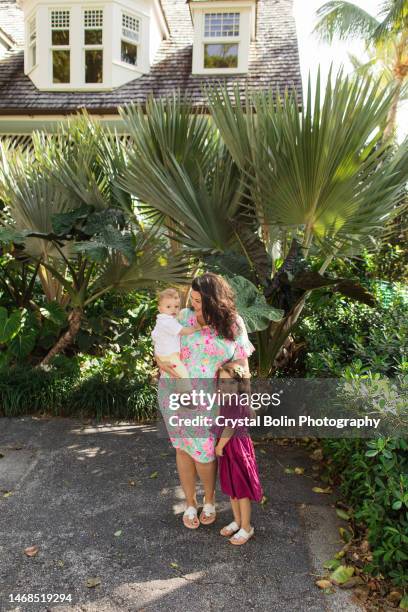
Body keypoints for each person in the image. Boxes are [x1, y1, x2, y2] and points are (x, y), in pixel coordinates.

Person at [156, 273, 255, 530]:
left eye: (200, 301)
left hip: (209, 400)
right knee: (182, 448)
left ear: (214, 300)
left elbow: (243, 366)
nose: (194, 305)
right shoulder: (183, 317)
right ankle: (190, 503)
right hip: (175, 394)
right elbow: (161, 349)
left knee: (204, 453)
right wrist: (161, 363)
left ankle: (209, 501)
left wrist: (242, 399)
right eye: (193, 299)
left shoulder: (234, 324)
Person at [214, 362, 263, 545]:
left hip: (236, 448)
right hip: (229, 448)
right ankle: (237, 521)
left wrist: (219, 446)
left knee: (241, 490)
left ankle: (246, 527)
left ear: (240, 384)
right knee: (232, 489)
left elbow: (230, 427)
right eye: (223, 382)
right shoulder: (226, 399)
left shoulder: (237, 401)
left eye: (231, 383)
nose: (226, 386)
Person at [151, 288, 200, 383]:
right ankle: (186, 390)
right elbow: (182, 331)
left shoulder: (164, 319)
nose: (173, 309)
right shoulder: (167, 321)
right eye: (168, 307)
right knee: (182, 375)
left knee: (177, 375)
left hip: (165, 354)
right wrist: (196, 328)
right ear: (160, 309)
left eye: (176, 306)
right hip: (169, 355)